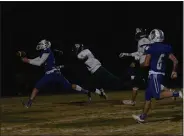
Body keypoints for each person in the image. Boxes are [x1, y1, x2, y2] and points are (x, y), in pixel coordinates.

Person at [20, 39, 91, 108]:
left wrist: (27, 61)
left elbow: (39, 63)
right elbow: (37, 59)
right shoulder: (44, 52)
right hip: (51, 73)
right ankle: (29, 103)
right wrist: (27, 60)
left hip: (53, 73)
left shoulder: (47, 51)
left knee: (68, 86)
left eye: (41, 44)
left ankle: (85, 91)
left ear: (45, 45)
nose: (39, 45)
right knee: (37, 87)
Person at [132, 29, 183, 123]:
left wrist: (141, 64)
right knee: (148, 95)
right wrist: (174, 71)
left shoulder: (151, 48)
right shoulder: (167, 47)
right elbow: (175, 61)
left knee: (157, 95)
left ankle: (178, 94)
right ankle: (142, 117)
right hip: (160, 74)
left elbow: (146, 64)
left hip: (155, 74)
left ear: (153, 36)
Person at [119, 28, 176, 105]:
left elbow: (141, 52)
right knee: (150, 83)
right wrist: (127, 54)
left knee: (136, 83)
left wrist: (129, 55)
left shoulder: (142, 41)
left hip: (145, 65)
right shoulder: (148, 40)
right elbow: (140, 52)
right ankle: (170, 92)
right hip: (148, 64)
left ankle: (132, 101)